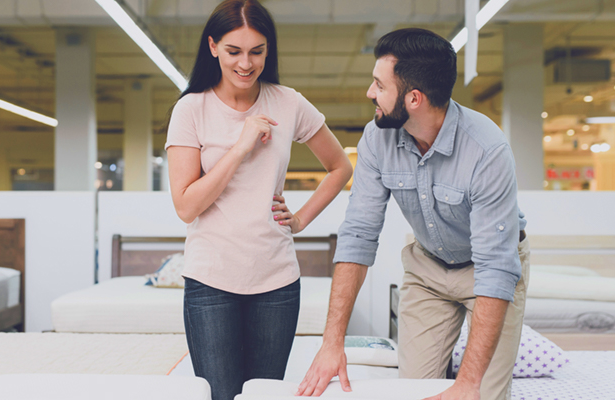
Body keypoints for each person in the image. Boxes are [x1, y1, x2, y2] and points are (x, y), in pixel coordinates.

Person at [297, 28, 529, 400]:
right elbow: (358, 234)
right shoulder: (376, 139)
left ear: (414, 99)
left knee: (479, 394)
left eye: (379, 85)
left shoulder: (487, 151)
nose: (370, 93)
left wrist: (468, 384)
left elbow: (496, 268)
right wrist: (331, 343)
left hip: (488, 270)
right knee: (414, 392)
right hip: (428, 269)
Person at [164, 1, 353, 399]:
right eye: (234, 51)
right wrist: (239, 148)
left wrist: (299, 220)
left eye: (257, 51)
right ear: (213, 46)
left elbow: (340, 168)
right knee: (221, 395)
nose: (246, 64)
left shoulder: (288, 102)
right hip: (211, 281)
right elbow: (185, 206)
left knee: (266, 395)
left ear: (269, 50)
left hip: (276, 282)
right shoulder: (191, 109)